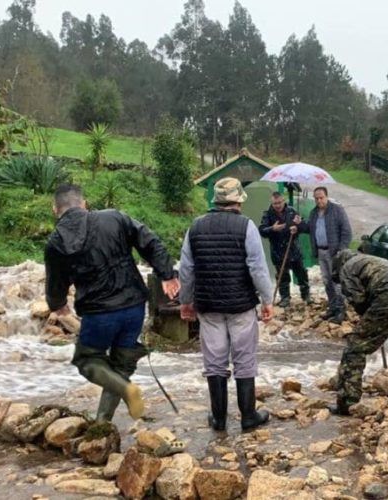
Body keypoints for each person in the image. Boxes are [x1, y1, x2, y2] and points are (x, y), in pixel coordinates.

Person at [44, 184, 179, 422]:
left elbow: (56, 279)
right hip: (134, 306)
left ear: (56, 209)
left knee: (86, 360)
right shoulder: (113, 218)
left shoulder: (55, 241)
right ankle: (103, 421)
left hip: (98, 312)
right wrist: (167, 273)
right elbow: (148, 241)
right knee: (122, 364)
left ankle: (125, 394)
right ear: (84, 203)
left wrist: (58, 303)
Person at [178, 177, 274, 432]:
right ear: (239, 200)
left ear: (216, 200)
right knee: (244, 360)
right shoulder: (246, 226)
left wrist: (185, 302)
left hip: (208, 306)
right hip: (241, 305)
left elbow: (187, 269)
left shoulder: (195, 227)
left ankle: (219, 419)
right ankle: (248, 417)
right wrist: (267, 300)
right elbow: (257, 267)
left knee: (214, 363)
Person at [328, 250, 388, 415]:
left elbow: (358, 299)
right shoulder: (370, 259)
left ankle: (347, 402)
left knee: (355, 346)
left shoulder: (347, 268)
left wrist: (365, 315)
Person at [259, 192, 311, 307]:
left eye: (279, 202)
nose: (277, 205)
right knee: (282, 276)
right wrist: (273, 228)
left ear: (284, 201)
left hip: (294, 249)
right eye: (275, 203)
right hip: (278, 251)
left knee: (301, 274)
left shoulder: (292, 211)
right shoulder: (267, 214)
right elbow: (262, 230)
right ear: (271, 203)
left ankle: (306, 295)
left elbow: (304, 227)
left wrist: (297, 227)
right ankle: (285, 298)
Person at [308, 186, 352, 324]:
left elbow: (347, 232)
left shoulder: (337, 210)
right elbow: (309, 228)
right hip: (321, 251)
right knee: (327, 281)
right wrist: (298, 225)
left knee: (337, 281)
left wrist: (341, 250)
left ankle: (341, 311)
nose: (319, 200)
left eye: (321, 197)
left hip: (335, 253)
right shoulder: (313, 213)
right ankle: (332, 307)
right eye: (316, 198)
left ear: (326, 196)